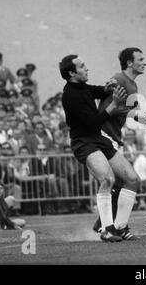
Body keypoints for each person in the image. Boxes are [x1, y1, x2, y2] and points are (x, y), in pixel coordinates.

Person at [60, 54, 136, 242]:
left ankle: (119, 227)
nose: (87, 68)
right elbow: (91, 124)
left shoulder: (82, 87)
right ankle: (107, 230)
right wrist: (114, 105)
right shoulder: (70, 95)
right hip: (83, 142)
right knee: (107, 179)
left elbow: (98, 91)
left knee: (132, 179)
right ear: (72, 73)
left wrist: (107, 88)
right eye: (82, 66)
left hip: (98, 139)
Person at [93, 48, 146, 236]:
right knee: (131, 180)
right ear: (129, 63)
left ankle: (104, 224)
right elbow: (115, 109)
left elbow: (138, 115)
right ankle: (118, 227)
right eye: (141, 59)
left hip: (110, 138)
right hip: (103, 137)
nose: (145, 62)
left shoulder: (132, 85)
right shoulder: (118, 80)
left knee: (119, 183)